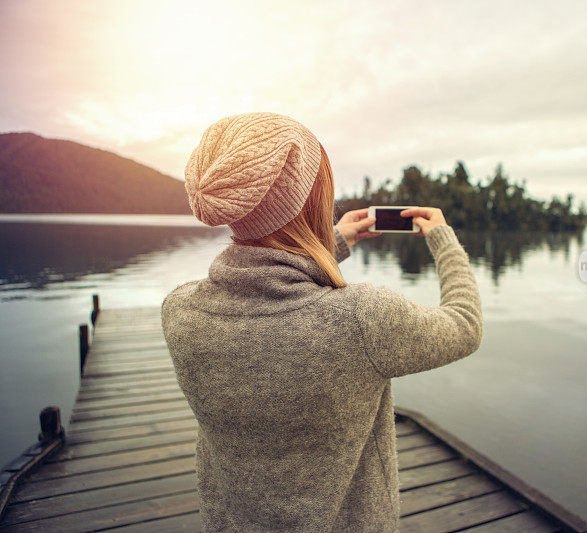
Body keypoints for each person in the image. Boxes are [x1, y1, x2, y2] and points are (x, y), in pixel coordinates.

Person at [161, 112, 483, 532]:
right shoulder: (362, 320)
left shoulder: (181, 312)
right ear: (313, 198)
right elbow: (465, 323)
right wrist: (443, 238)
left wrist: (334, 240)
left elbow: (269, 284)